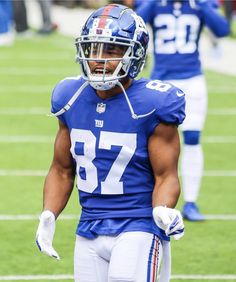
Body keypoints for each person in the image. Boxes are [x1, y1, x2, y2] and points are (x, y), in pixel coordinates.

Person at [35, 4, 185, 282]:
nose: (99, 60)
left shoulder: (153, 103)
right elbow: (61, 169)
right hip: (89, 226)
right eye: (93, 49)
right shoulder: (70, 96)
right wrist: (49, 213)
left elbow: (166, 174)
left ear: (135, 54)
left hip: (138, 226)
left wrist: (163, 208)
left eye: (112, 50)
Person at [136, 0, 230, 221]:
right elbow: (137, 23)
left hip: (192, 79)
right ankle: (148, 199)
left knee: (193, 137)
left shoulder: (198, 4)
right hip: (161, 81)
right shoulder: (155, 4)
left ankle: (191, 202)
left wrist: (203, 5)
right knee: (151, 140)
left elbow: (223, 29)